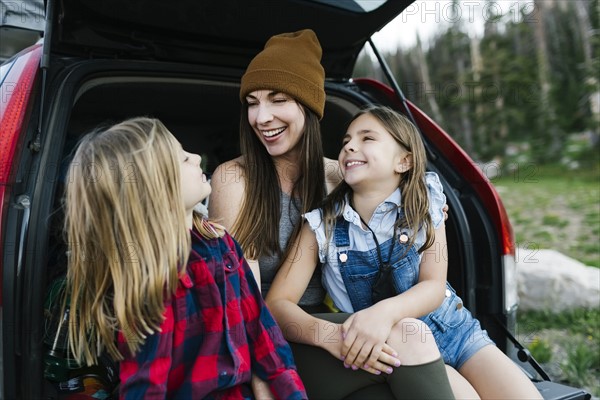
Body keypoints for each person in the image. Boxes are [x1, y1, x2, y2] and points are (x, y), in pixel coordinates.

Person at [209, 29, 460, 399]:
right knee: (411, 339)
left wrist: (429, 202)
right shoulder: (234, 180)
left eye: (278, 100)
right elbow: (241, 301)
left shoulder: (341, 176)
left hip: (345, 331)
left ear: (309, 106)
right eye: (252, 102)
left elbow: (405, 203)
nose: (262, 117)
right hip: (274, 342)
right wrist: (264, 384)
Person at [266, 105, 543, 400]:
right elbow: (277, 304)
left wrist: (384, 312)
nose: (349, 147)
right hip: (397, 351)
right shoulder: (321, 226)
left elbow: (433, 286)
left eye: (367, 138)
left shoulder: (426, 199)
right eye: (346, 141)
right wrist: (327, 334)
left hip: (455, 331)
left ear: (404, 161)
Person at [62, 117, 307, 399]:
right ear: (153, 189)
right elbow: (147, 387)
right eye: (181, 158)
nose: (196, 157)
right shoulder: (153, 280)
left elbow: (264, 334)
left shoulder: (223, 244)